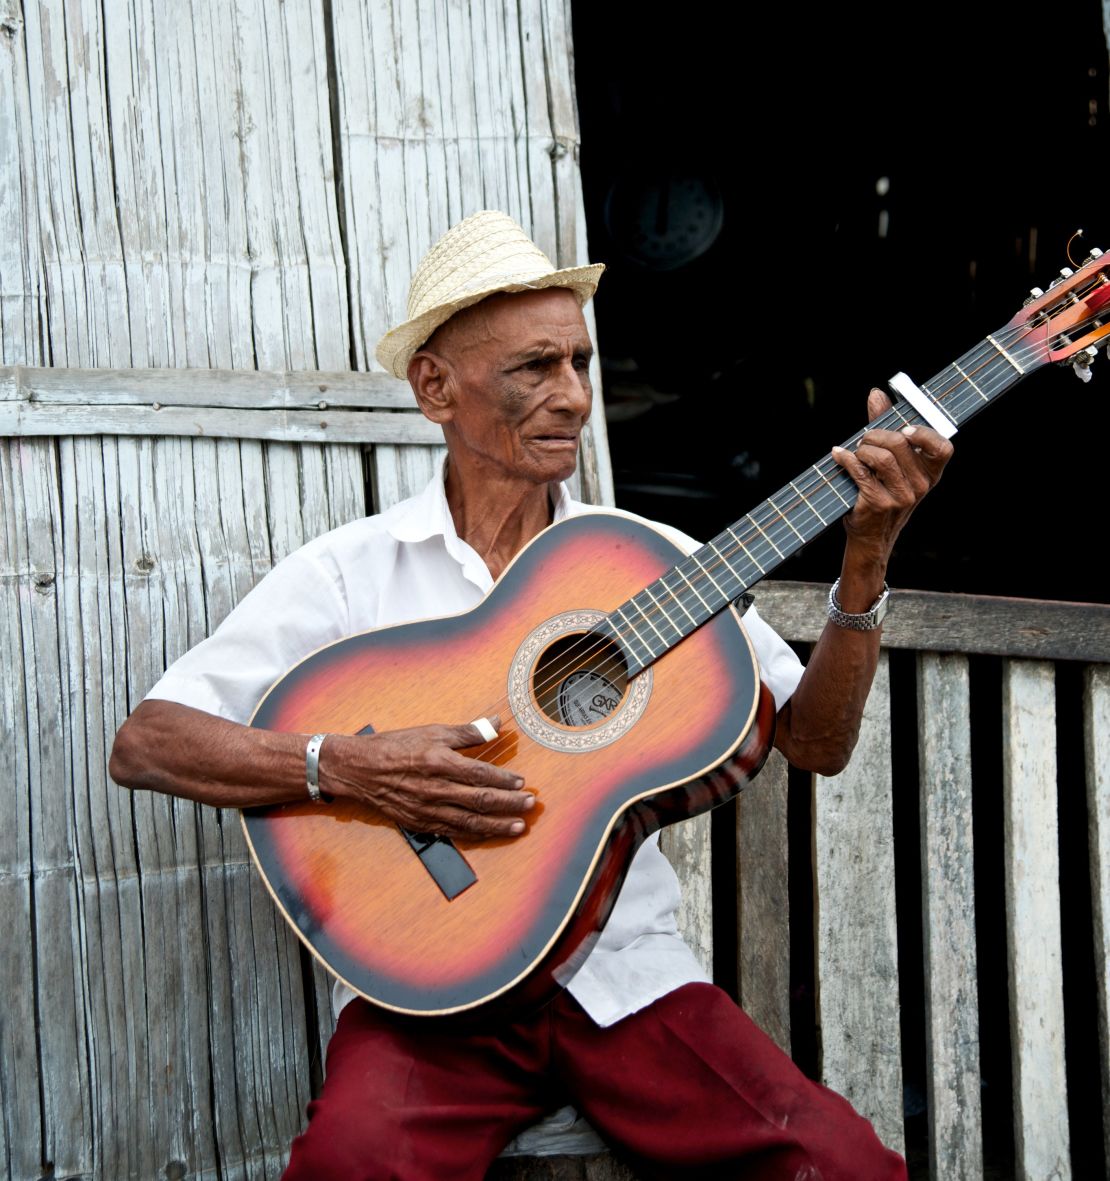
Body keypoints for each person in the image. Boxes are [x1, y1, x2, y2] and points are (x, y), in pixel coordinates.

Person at [110, 210, 953, 1179]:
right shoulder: (353, 573)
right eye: (533, 368)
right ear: (436, 387)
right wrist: (345, 765)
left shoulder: (649, 563)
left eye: (581, 364)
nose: (572, 397)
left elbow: (817, 738)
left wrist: (866, 561)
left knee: (841, 1165)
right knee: (350, 1162)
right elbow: (148, 739)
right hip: (436, 995)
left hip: (626, 983)